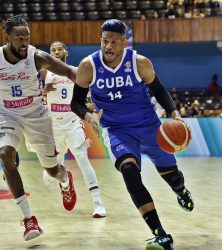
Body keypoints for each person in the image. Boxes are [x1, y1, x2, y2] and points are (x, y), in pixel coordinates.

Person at [70, 19, 194, 250]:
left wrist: (175, 114)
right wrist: (89, 117)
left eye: (114, 42)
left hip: (149, 126)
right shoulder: (88, 66)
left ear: (124, 43)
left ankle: (181, 190)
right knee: (129, 172)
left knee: (172, 177)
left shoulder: (139, 63)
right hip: (117, 130)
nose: (108, 46)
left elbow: (159, 90)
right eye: (104, 41)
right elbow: (76, 102)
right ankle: (159, 232)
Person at [0, 15, 77, 241]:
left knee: (52, 170)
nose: (24, 42)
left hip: (36, 114)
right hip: (6, 114)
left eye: (27, 37)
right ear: (8, 38)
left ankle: (65, 180)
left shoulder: (37, 57)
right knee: (5, 155)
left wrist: (90, 92)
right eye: (19, 38)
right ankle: (28, 219)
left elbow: (70, 72)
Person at [41, 41, 107, 218]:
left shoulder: (76, 71)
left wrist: (93, 111)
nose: (56, 52)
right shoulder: (44, 71)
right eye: (53, 50)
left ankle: (98, 204)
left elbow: (89, 94)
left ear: (66, 52)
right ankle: (65, 184)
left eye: (59, 49)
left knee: (83, 161)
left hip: (72, 124)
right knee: (48, 176)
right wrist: (43, 90)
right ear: (50, 54)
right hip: (52, 127)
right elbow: (34, 94)